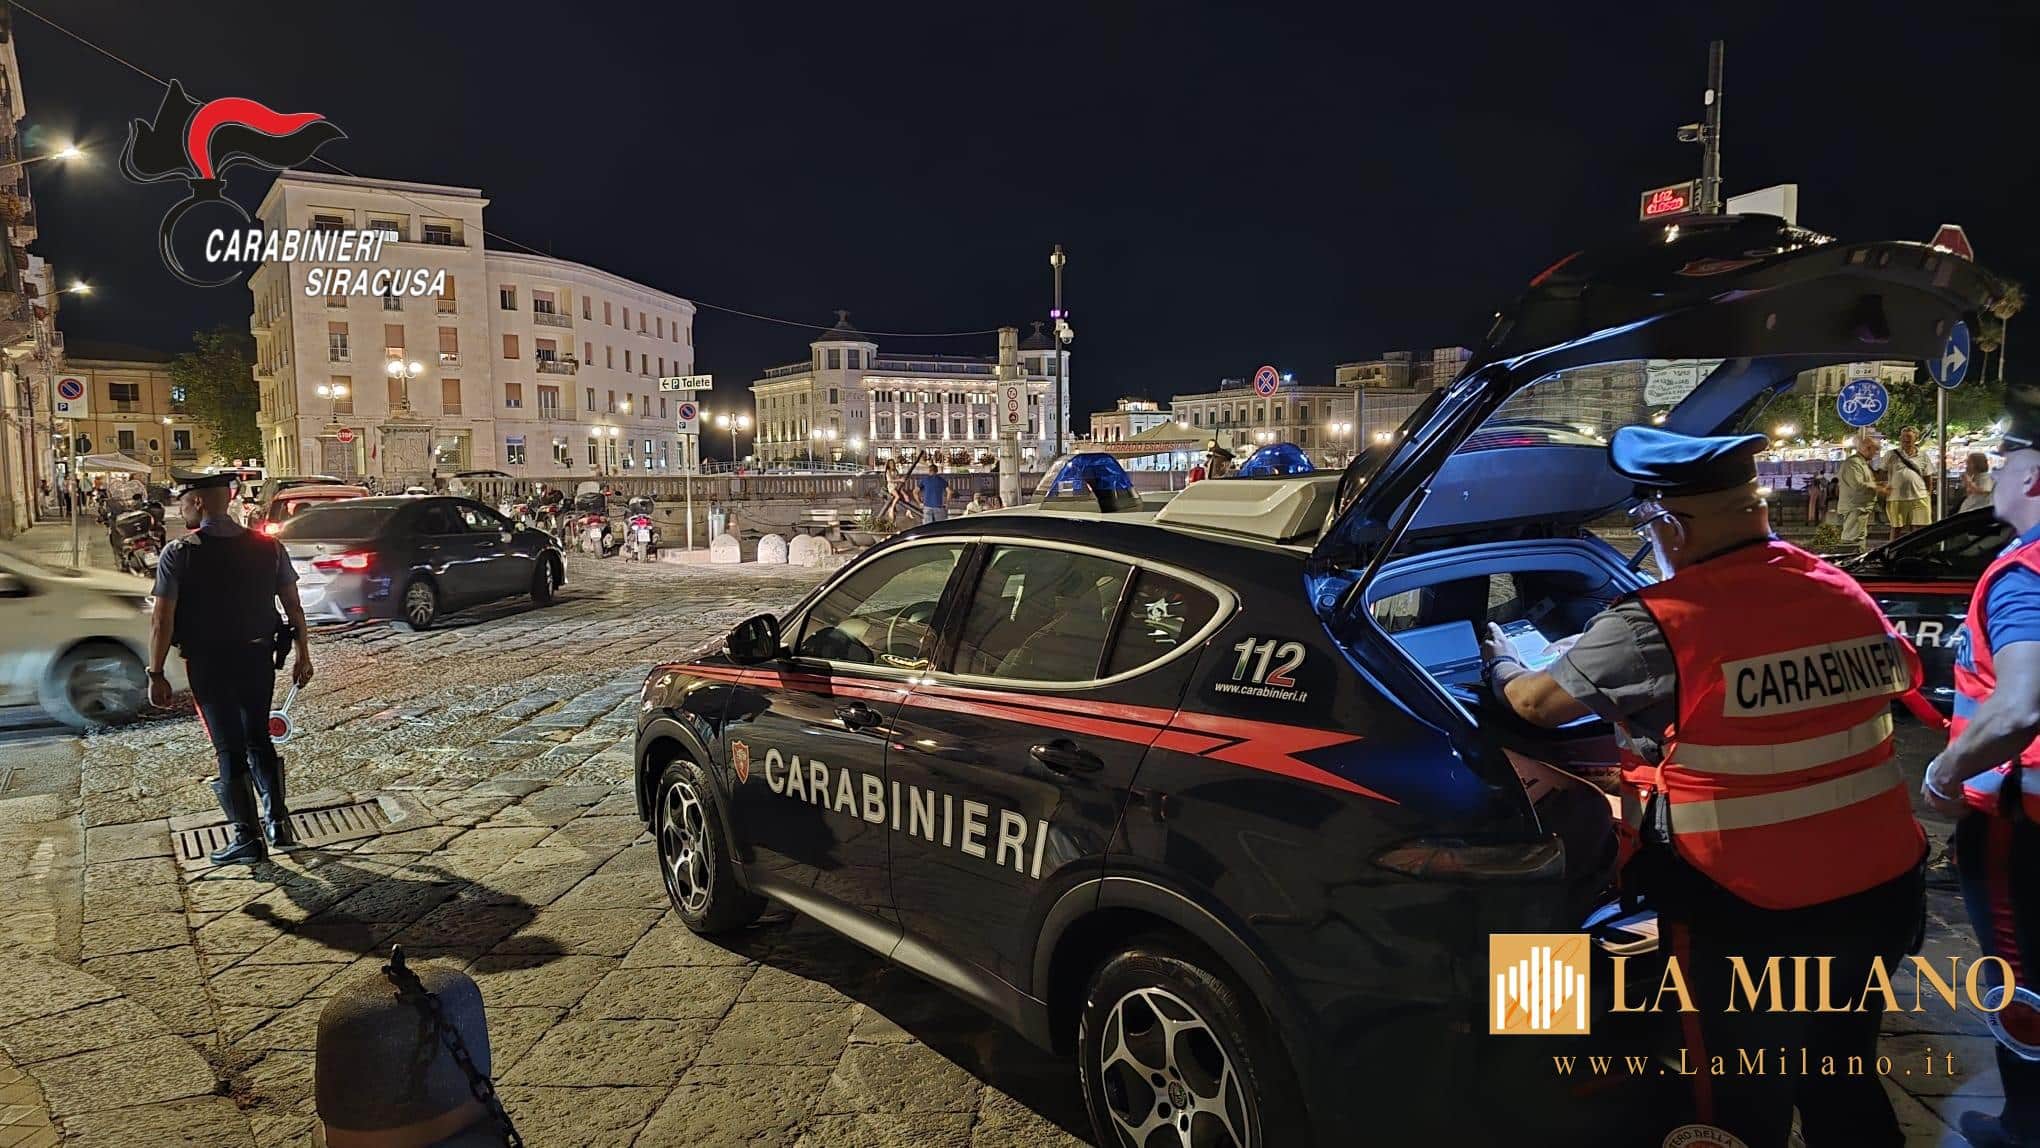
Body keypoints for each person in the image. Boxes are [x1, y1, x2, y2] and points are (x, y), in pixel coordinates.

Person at [1483, 426, 1928, 1148]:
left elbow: (1533, 705)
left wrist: (1499, 661)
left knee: (1728, 1098)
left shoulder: (1662, 622)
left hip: (1747, 910)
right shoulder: (1837, 588)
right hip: (1879, 890)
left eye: (1648, 526)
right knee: (1840, 1075)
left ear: (1668, 524)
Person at [1919, 394, 2040, 1148]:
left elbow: (2021, 704)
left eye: (2006, 462)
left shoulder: (2024, 573)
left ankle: (2025, 1126)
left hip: (2020, 822)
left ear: (2035, 478)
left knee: (2021, 971)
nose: (1993, 475)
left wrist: (1942, 773)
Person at [147, 471, 315, 866]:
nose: (182, 508)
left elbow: (161, 620)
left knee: (228, 747)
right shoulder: (268, 546)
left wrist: (155, 673)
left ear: (200, 503)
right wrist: (303, 654)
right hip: (258, 659)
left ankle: (246, 837)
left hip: (210, 663)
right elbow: (293, 608)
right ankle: (278, 823)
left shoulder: (180, 552)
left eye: (184, 501)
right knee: (258, 736)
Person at [1884, 426, 1934, 539]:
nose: (1906, 440)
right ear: (1900, 438)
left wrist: (1928, 494)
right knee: (1896, 528)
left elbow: (1928, 476)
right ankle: (1893, 553)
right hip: (1896, 497)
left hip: (1919, 497)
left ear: (1916, 438)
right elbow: (1881, 472)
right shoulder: (1891, 454)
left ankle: (1916, 552)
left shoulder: (1923, 456)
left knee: (1919, 529)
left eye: (1909, 437)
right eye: (1904, 437)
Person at [1837, 430, 1882, 552]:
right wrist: (1878, 487)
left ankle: (1857, 561)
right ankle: (1847, 562)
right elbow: (1857, 484)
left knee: (1859, 537)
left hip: (1860, 507)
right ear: (1867, 448)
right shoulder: (1853, 463)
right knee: (1852, 538)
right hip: (1855, 506)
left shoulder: (1861, 463)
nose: (1875, 454)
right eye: (1875, 450)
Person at [916, 461, 949, 525]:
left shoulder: (925, 480)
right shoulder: (941, 480)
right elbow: (950, 492)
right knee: (940, 527)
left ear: (929, 471)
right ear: (937, 471)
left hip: (927, 506)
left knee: (928, 527)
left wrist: (920, 503)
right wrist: (947, 503)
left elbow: (915, 492)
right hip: (938, 506)